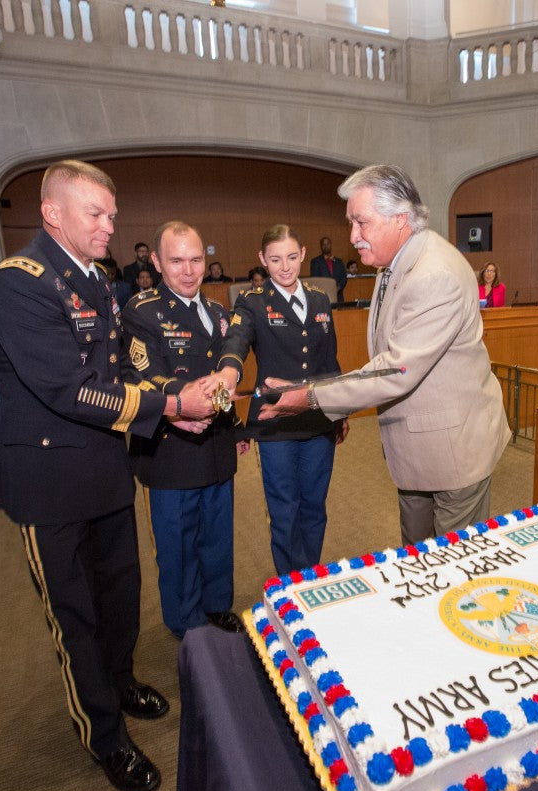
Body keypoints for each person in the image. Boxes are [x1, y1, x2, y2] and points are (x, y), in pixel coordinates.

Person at [0, 160, 214, 791]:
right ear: (52, 214)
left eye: (112, 213)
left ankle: (122, 681)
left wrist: (171, 404)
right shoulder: (19, 283)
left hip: (107, 470)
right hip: (52, 483)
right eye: (97, 214)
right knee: (75, 615)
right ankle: (103, 734)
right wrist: (169, 407)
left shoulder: (94, 281)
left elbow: (115, 376)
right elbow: (66, 388)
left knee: (120, 597)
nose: (111, 225)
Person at [259, 165, 510, 545]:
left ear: (400, 219)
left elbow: (393, 370)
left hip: (454, 452)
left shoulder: (433, 274)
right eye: (350, 223)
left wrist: (308, 396)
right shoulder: (392, 263)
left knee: (457, 576)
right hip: (416, 453)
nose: (353, 236)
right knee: (418, 564)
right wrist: (306, 385)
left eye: (361, 222)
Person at [122, 220, 248, 639]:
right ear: (156, 261)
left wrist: (227, 396)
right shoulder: (142, 311)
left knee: (217, 537)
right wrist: (185, 398)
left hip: (215, 444)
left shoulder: (216, 312)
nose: (189, 270)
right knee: (178, 545)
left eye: (196, 259)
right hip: (171, 448)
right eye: (176, 260)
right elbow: (141, 373)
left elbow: (229, 363)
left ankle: (216, 606)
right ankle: (186, 623)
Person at [211, 224, 348, 575]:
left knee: (315, 505)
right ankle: (291, 582)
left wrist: (340, 410)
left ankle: (310, 575)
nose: (284, 267)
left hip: (318, 418)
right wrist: (228, 372)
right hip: (276, 423)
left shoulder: (319, 299)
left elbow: (330, 361)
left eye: (291, 257)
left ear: (303, 253)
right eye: (274, 259)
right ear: (262, 260)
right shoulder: (252, 301)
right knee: (285, 509)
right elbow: (236, 341)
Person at [310, 236, 347, 303]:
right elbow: (315, 279)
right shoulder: (315, 262)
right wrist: (327, 289)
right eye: (323, 244)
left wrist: (338, 288)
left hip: (338, 297)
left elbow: (344, 277)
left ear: (331, 245)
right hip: (322, 297)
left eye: (328, 244)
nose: (326, 246)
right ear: (321, 246)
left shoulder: (339, 261)